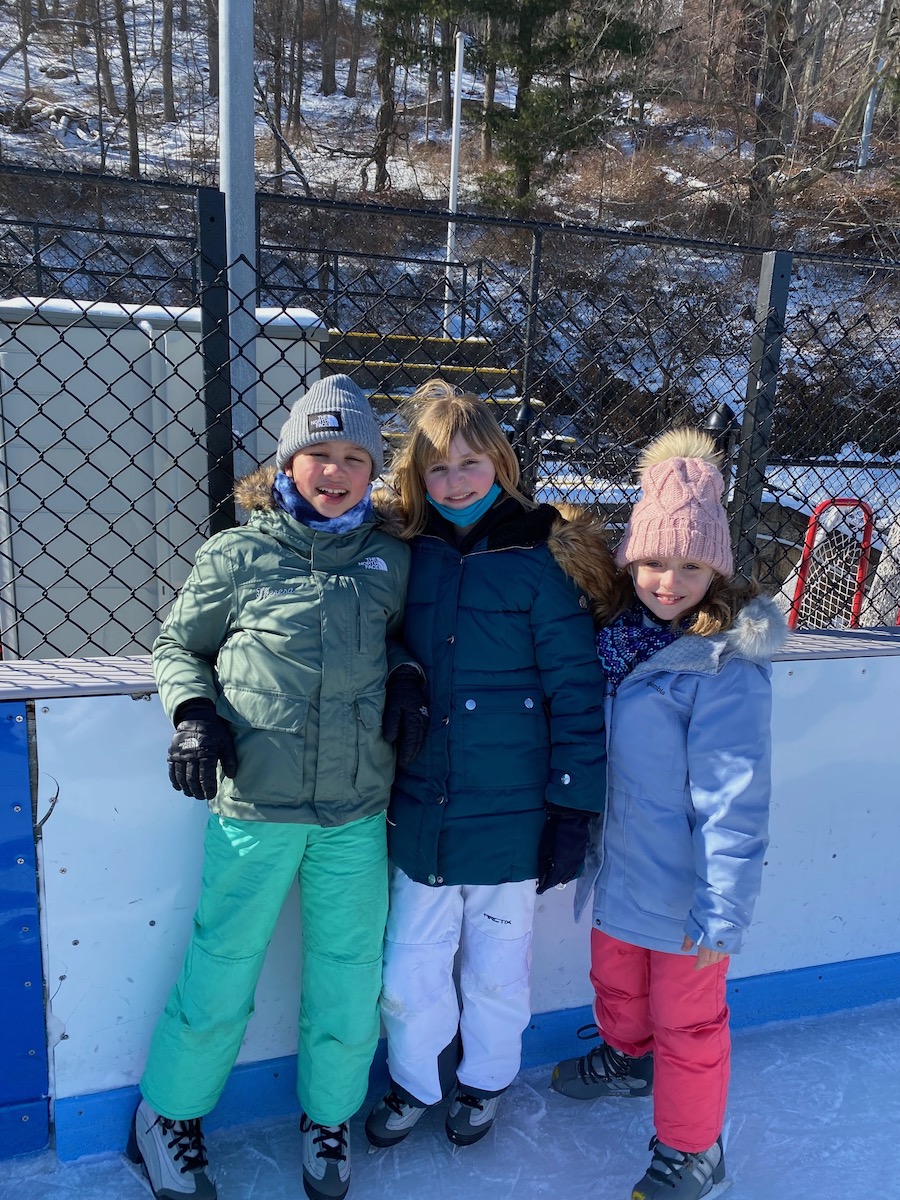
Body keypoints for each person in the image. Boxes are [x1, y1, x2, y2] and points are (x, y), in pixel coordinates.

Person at [127, 375, 428, 1200]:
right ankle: (168, 1115)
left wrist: (404, 675)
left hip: (355, 810)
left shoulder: (390, 561)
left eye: (352, 459)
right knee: (222, 964)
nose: (334, 473)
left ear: (373, 472)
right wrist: (193, 715)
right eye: (318, 456)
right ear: (287, 464)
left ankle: (327, 1115)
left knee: (346, 970)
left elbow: (404, 639)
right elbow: (177, 645)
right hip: (255, 804)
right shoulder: (239, 552)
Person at [364, 379, 611, 1153]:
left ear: (500, 462)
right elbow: (372, 626)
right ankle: (412, 1080)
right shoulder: (409, 550)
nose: (456, 482)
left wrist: (573, 806)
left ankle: (485, 1080)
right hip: (423, 810)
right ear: (416, 479)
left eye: (470, 463)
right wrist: (401, 666)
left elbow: (575, 688)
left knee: (498, 971)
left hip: (510, 821)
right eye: (438, 470)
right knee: (409, 975)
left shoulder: (539, 561)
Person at [550, 428, 787, 1200]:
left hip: (687, 899)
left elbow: (734, 799)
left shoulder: (721, 668)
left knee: (688, 1024)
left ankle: (694, 1150)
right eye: (654, 561)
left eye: (690, 565)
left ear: (714, 571)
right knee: (615, 986)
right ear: (630, 561)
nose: (668, 580)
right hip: (619, 874)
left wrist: (723, 910)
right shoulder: (616, 646)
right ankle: (626, 1057)